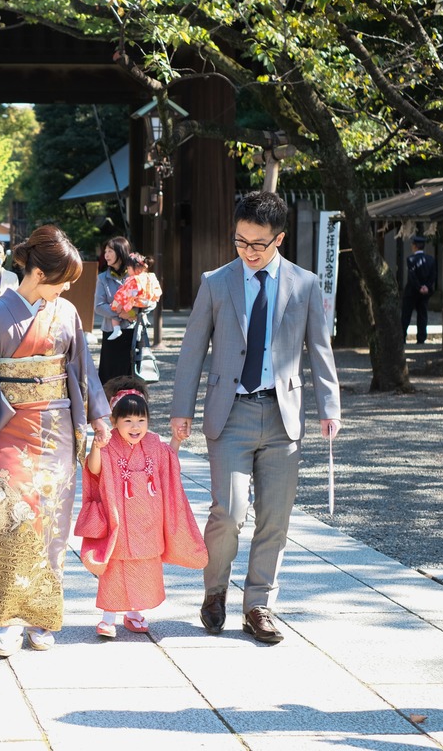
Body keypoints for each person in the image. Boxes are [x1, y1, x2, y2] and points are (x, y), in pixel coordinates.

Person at [170, 191, 342, 645]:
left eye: (258, 244)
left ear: (279, 238)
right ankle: (215, 592)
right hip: (230, 414)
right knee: (228, 513)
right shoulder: (216, 282)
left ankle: (258, 605)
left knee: (275, 519)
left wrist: (330, 407)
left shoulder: (304, 284)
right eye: (240, 241)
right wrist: (182, 410)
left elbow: (319, 349)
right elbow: (192, 350)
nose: (248, 251)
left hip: (284, 417)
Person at [0, 224, 112, 658]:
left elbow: (83, 369)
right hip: (10, 432)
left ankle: (43, 617)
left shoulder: (66, 313)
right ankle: (9, 621)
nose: (66, 289)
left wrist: (99, 417)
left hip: (57, 433)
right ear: (36, 273)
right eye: (61, 280)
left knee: (52, 526)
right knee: (14, 523)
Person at [78, 375, 207, 638]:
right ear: (114, 421)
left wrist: (176, 440)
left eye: (141, 420)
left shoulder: (154, 443)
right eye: (128, 421)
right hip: (119, 520)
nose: (135, 427)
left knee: (144, 568)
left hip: (148, 521)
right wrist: (96, 447)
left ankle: (134, 612)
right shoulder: (108, 444)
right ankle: (108, 618)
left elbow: (168, 462)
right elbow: (94, 470)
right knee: (116, 568)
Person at [93, 236, 136, 384]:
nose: (106, 255)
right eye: (105, 251)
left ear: (121, 252)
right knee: (109, 378)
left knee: (131, 377)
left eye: (110, 251)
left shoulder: (135, 276)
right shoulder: (102, 278)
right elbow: (99, 306)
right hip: (111, 333)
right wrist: (122, 314)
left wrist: (133, 313)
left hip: (132, 332)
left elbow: (149, 302)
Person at [401, 235, 437, 344]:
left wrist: (418, 287)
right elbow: (433, 275)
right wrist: (427, 286)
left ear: (415, 246)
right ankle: (421, 338)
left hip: (412, 291)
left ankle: (402, 337)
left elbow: (412, 276)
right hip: (425, 292)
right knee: (422, 314)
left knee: (406, 315)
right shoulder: (431, 260)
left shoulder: (411, 259)